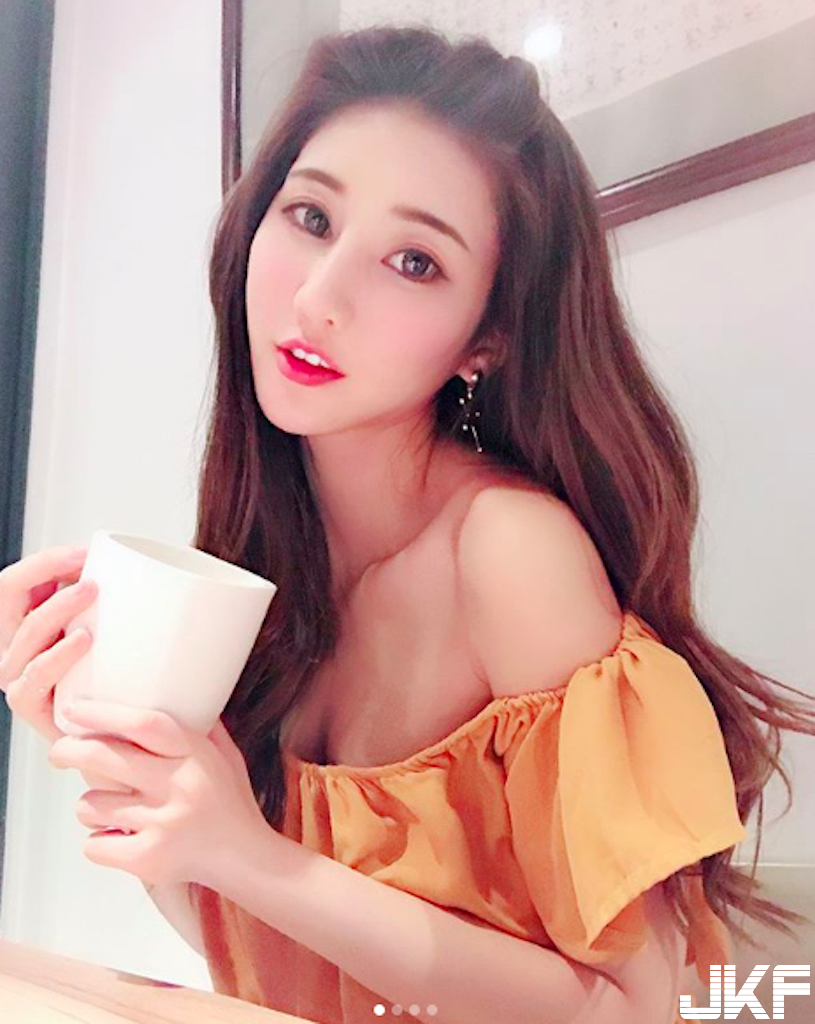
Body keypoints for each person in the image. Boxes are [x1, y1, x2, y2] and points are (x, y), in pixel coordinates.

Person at [1, 23, 814, 1024]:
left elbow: (642, 1006)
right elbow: (263, 955)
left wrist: (249, 854)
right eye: (310, 216)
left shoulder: (506, 552)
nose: (321, 295)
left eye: (414, 261)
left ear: (485, 338)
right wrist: (126, 768)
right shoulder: (271, 565)